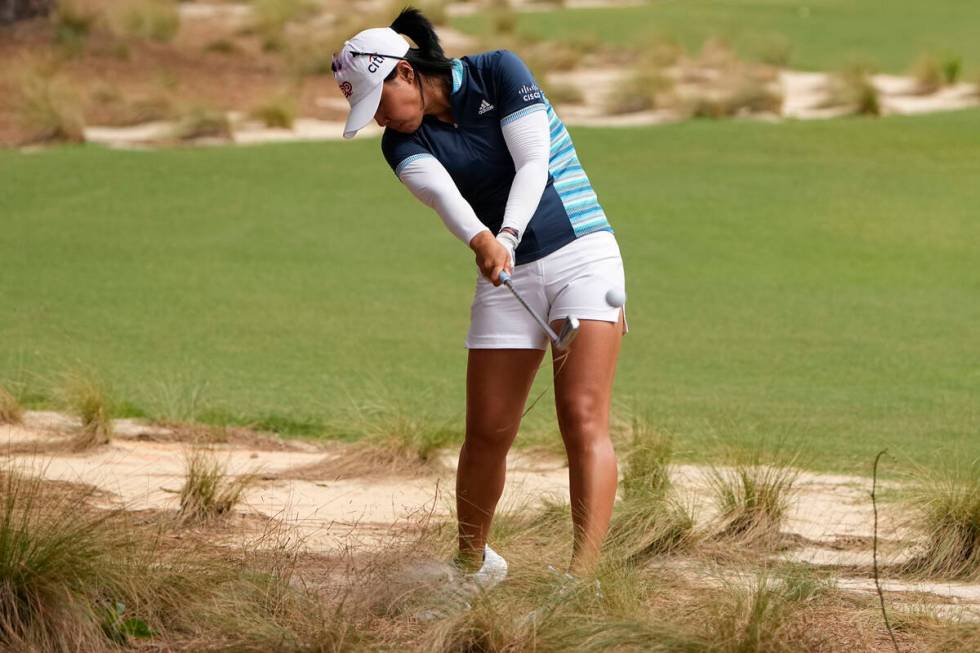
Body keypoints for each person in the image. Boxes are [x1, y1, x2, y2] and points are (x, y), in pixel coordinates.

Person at [331, 7, 627, 583]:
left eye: (378, 103)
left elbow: (533, 162)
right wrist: (483, 240)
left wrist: (506, 236)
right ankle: (473, 568)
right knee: (487, 430)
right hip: (506, 273)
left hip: (583, 255)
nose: (378, 121)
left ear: (405, 75)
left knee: (582, 416)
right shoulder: (399, 145)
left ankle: (582, 582)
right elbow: (448, 200)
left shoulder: (498, 70)